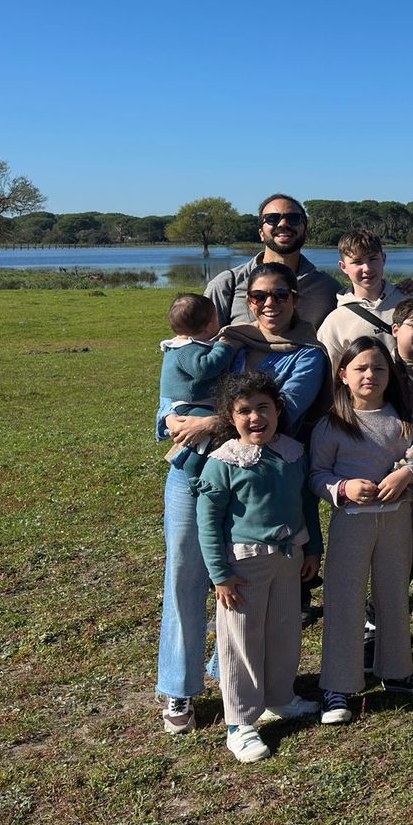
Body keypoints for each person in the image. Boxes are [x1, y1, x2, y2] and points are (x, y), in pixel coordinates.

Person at [156, 262, 329, 735]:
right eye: (258, 296)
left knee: (245, 581)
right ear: (247, 301)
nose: (268, 304)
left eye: (279, 295)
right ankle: (179, 685)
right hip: (194, 472)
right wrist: (169, 420)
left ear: (295, 299)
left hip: (260, 484)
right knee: (186, 574)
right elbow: (177, 388)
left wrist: (208, 423)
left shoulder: (307, 353)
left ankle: (234, 674)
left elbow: (286, 411)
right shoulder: (225, 340)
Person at [309, 338, 413, 724]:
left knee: (393, 595)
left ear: (390, 375)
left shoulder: (404, 420)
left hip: (397, 520)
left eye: (379, 368)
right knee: (345, 599)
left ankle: (396, 671)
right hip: (352, 523)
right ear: (343, 375)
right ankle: (338, 685)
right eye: (361, 368)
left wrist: (408, 475)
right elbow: (317, 475)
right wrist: (343, 489)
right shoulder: (332, 424)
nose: (370, 375)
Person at [195, 372, 322, 762]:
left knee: (284, 630)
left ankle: (279, 696)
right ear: (231, 418)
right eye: (244, 411)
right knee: (241, 641)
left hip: (289, 558)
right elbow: (208, 521)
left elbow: (306, 506)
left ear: (278, 410)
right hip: (243, 566)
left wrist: (313, 549)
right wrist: (220, 575)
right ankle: (240, 722)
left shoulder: (293, 453)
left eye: (263, 408)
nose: (255, 418)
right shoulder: (223, 463)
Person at [204, 193, 339, 331]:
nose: (283, 224)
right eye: (272, 219)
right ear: (261, 233)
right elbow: (201, 342)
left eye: (294, 218)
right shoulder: (227, 284)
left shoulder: (328, 287)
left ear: (305, 231)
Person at [317, 229, 413, 365]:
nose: (367, 268)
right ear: (343, 267)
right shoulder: (336, 321)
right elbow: (330, 373)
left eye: (373, 259)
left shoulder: (409, 300)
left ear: (383, 259)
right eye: (357, 262)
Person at [158, 293, 235, 471]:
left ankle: (188, 462)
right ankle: (193, 473)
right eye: (216, 318)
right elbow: (204, 369)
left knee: (200, 439)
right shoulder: (187, 349)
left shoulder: (181, 345)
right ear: (208, 328)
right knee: (204, 439)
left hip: (187, 402)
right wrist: (223, 347)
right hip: (190, 404)